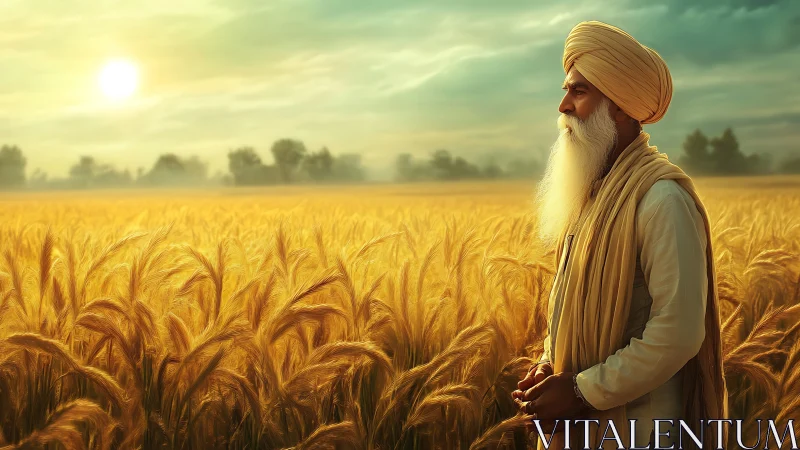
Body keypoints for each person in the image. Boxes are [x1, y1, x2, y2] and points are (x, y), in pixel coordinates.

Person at [511, 21, 728, 450]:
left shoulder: (661, 200)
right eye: (566, 90)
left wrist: (580, 391)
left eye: (579, 92)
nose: (563, 107)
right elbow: (568, 308)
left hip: (639, 431)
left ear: (622, 107)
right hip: (580, 428)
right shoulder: (592, 197)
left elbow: (679, 332)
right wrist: (549, 364)